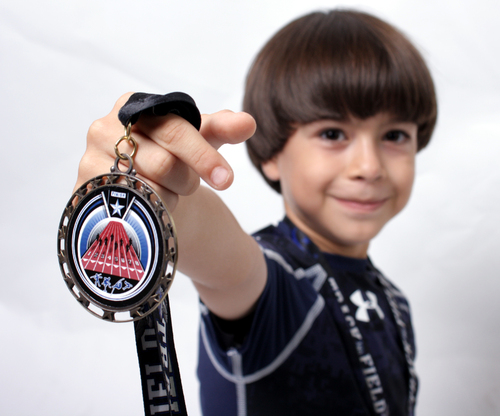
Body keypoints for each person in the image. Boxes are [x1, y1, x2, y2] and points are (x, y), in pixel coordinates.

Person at [75, 9, 437, 416]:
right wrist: (143, 183)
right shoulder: (271, 284)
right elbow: (214, 246)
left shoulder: (393, 301)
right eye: (333, 134)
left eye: (394, 135)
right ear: (271, 153)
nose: (369, 167)